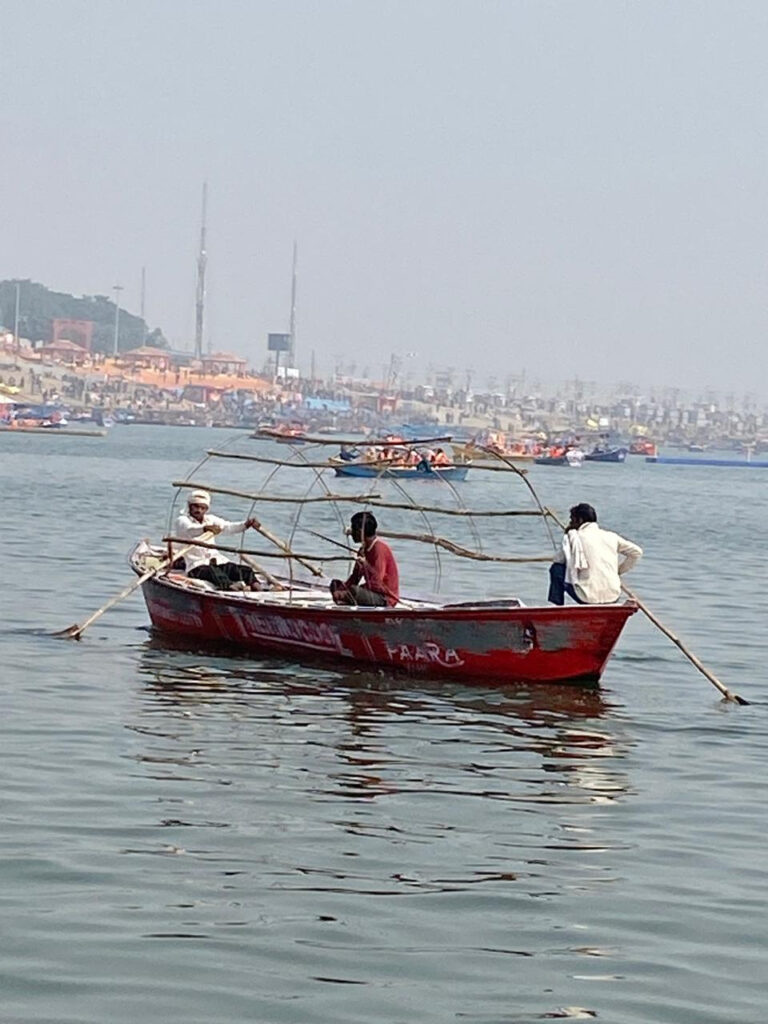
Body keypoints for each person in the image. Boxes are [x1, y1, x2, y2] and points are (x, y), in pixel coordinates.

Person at [548, 502, 642, 605]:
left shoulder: (574, 537)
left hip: (586, 597)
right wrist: (618, 571)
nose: (570, 523)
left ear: (580, 520)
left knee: (556, 569)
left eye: (572, 520)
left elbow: (558, 560)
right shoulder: (611, 536)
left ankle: (557, 606)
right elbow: (636, 552)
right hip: (613, 596)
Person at [173, 490, 262, 591]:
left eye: (203, 508)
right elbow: (190, 530)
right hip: (197, 565)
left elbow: (229, 527)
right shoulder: (182, 520)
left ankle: (260, 590)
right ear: (190, 506)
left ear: (206, 509)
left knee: (245, 571)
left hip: (218, 561)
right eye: (196, 507)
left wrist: (246, 524)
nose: (199, 510)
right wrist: (205, 529)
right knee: (215, 574)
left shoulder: (211, 519)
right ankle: (232, 589)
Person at [329, 511, 399, 607]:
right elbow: (355, 577)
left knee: (355, 591)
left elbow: (376, 584)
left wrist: (347, 593)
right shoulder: (363, 550)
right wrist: (342, 588)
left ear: (360, 531)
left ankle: (348, 600)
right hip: (370, 593)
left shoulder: (379, 549)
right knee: (335, 584)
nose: (351, 533)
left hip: (384, 597)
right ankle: (347, 601)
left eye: (353, 529)